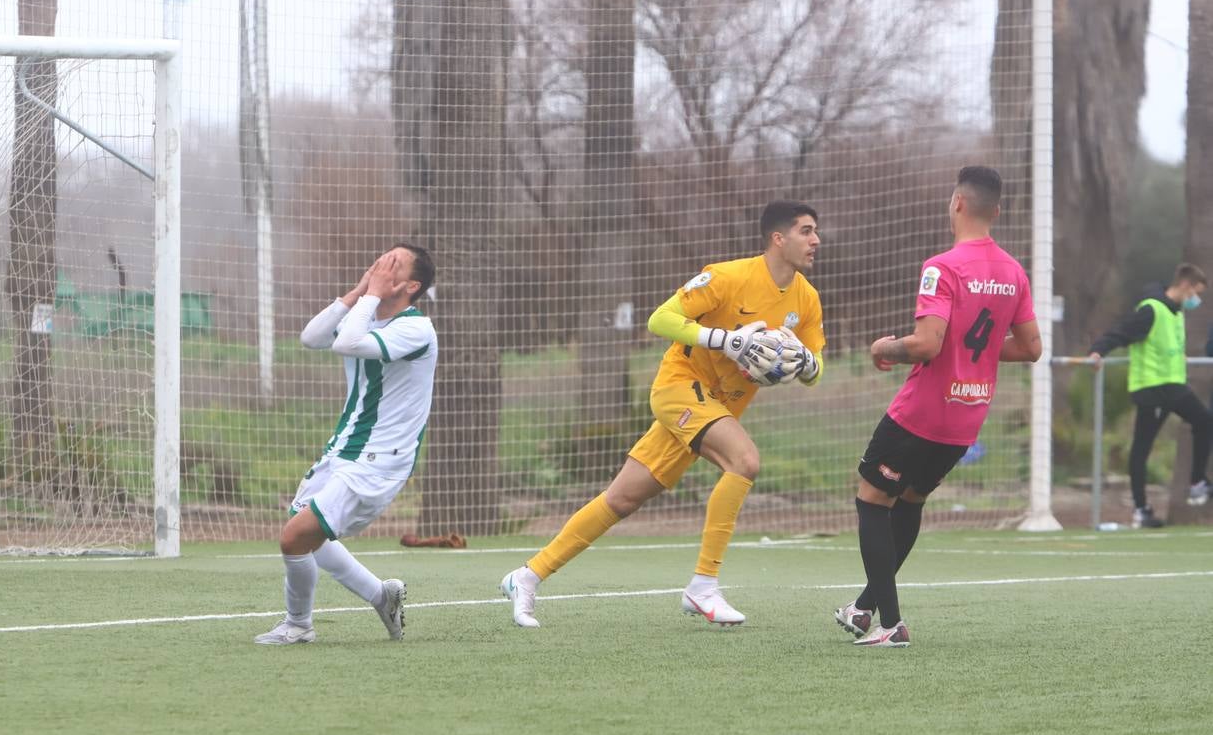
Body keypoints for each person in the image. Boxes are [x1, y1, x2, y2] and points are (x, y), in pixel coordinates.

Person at [500, 201, 826, 628]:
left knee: (621, 499)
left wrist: (804, 361)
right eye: (806, 230)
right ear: (777, 238)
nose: (816, 240)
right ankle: (703, 587)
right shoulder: (728, 276)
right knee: (744, 461)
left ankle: (527, 575)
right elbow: (661, 319)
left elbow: (816, 370)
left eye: (815, 231)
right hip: (679, 388)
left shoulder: (806, 298)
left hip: (717, 407)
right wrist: (725, 341)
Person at [833, 166, 1040, 648]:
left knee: (871, 500)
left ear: (958, 204)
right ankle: (864, 609)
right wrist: (979, 355)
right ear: (998, 211)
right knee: (909, 501)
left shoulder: (942, 266)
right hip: (967, 418)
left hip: (921, 412)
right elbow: (1031, 348)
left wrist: (884, 346)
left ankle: (891, 624)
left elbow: (927, 344)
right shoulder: (1013, 271)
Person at [254, 245, 437, 645]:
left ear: (411, 285)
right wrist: (358, 292)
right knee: (305, 534)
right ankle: (381, 595)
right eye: (380, 259)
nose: (380, 266)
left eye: (393, 265)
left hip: (379, 461)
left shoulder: (416, 329)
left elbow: (347, 343)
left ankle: (299, 625)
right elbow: (312, 337)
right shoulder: (365, 312)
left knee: (294, 537)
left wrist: (370, 295)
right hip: (344, 449)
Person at [1087, 263, 1211, 527]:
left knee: (1199, 423)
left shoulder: (1176, 313)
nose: (1196, 300)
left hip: (1172, 385)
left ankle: (1190, 484)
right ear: (1186, 286)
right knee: (1146, 447)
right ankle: (1153, 504)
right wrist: (1098, 350)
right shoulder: (1151, 309)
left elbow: (1166, 346)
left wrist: (1180, 356)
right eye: (1196, 293)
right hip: (1154, 390)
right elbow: (1121, 332)